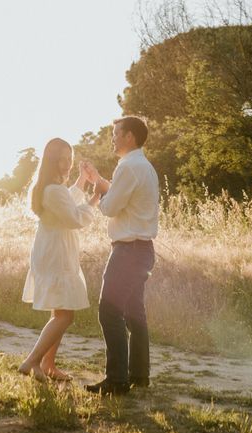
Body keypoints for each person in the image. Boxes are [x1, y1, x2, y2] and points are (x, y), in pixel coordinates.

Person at [83, 116, 159, 395]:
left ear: (129, 136)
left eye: (116, 133)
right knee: (134, 314)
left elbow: (111, 207)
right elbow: (123, 198)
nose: (112, 138)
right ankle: (139, 375)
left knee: (109, 311)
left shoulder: (128, 167)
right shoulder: (145, 167)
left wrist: (101, 192)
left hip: (128, 251)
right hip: (144, 250)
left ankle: (116, 380)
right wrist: (102, 181)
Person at [19, 138, 100, 382]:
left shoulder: (53, 188)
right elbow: (75, 217)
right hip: (56, 255)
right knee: (65, 315)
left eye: (69, 159)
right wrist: (96, 197)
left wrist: (82, 180)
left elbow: (68, 199)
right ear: (51, 161)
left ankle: (48, 364)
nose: (66, 164)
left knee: (60, 311)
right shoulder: (52, 190)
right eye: (62, 159)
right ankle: (32, 361)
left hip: (55, 251)